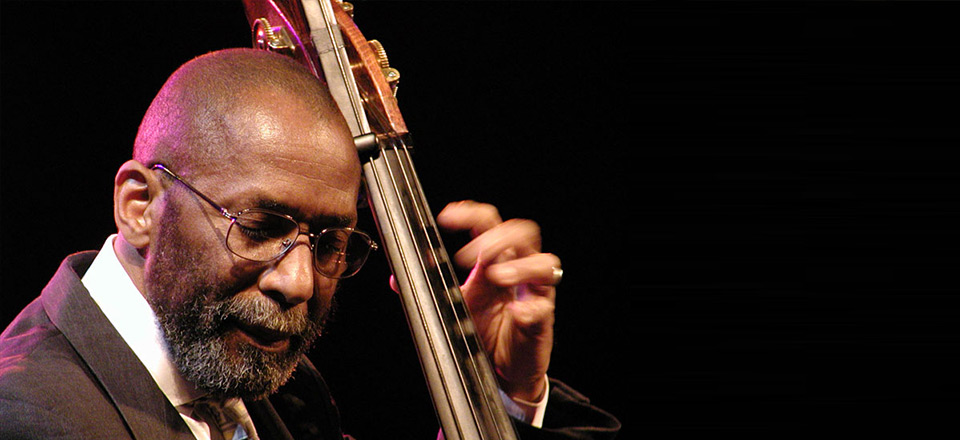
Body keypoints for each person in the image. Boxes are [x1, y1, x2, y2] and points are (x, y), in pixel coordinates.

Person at [0, 49, 619, 439]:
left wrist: (503, 393)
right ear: (141, 207)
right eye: (259, 226)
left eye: (330, 244)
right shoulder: (29, 416)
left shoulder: (286, 393)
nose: (298, 282)